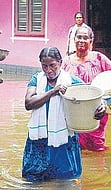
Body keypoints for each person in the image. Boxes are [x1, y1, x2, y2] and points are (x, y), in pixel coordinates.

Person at [22, 47, 105, 181]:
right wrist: (53, 91)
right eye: (44, 66)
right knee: (33, 178)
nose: (48, 70)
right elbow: (28, 103)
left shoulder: (72, 82)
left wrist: (101, 107)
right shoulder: (36, 80)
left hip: (64, 137)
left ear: (60, 63)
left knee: (65, 180)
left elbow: (92, 98)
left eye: (52, 66)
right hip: (40, 137)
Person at [61, 25, 111, 151]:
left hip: (97, 111)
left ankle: (98, 170)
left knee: (97, 148)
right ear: (74, 40)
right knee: (74, 147)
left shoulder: (98, 58)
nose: (81, 40)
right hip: (74, 113)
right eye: (79, 37)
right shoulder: (66, 62)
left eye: (85, 38)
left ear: (91, 41)